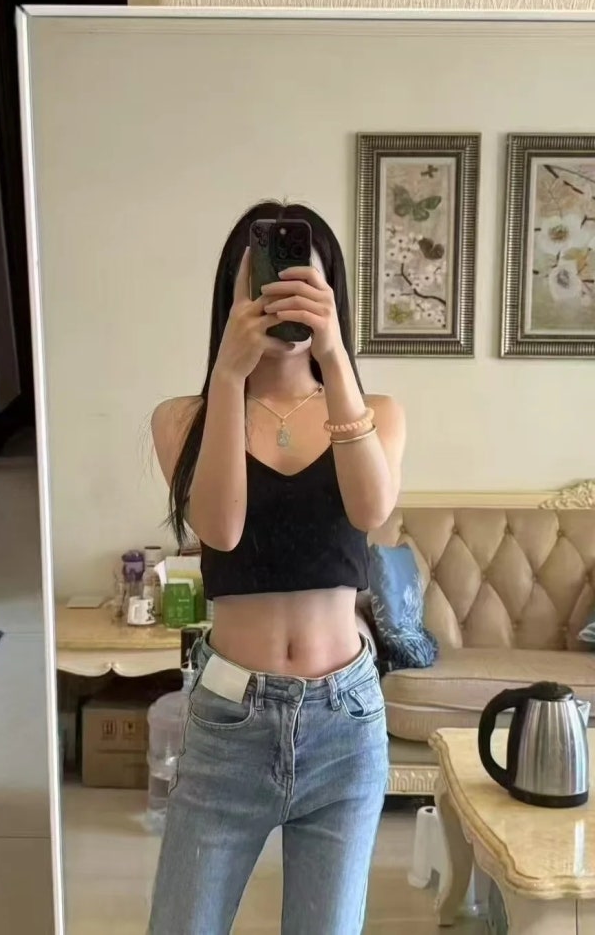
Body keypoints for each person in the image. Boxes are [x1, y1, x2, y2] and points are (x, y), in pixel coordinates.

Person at [148, 201, 405, 935]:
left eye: (302, 282)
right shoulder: (182, 417)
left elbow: (370, 510)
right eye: (263, 282)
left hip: (346, 720)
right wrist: (228, 378)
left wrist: (334, 359)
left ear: (331, 295)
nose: (281, 299)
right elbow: (220, 528)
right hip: (230, 720)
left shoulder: (377, 411)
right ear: (233, 296)